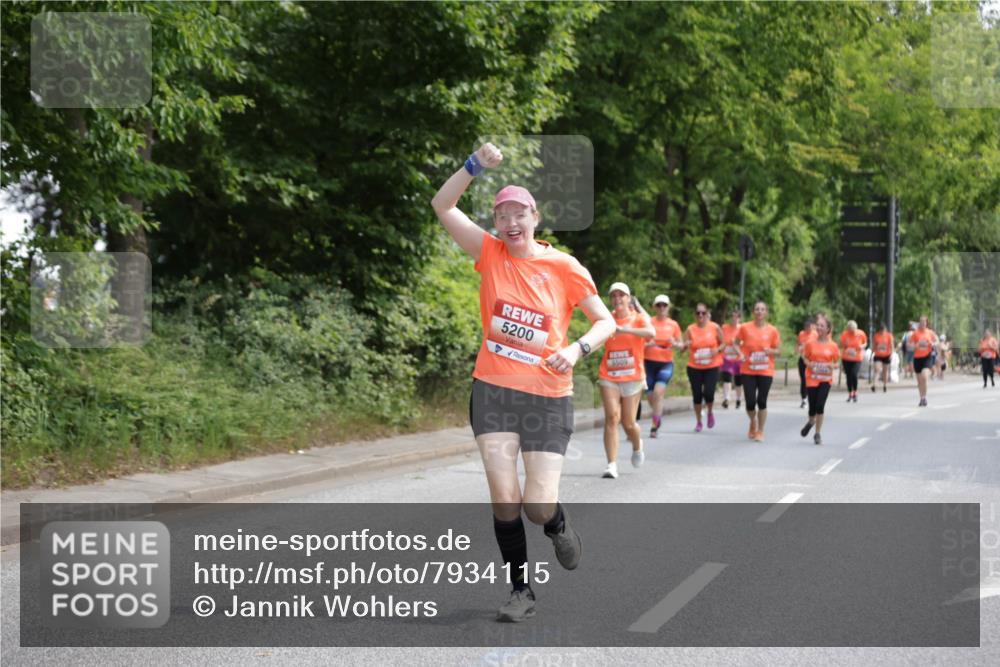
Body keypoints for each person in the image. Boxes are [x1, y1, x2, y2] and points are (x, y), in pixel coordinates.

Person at [431, 142, 615, 623]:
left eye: (519, 213)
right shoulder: (489, 253)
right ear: (496, 224)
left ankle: (556, 524)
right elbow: (442, 206)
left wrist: (577, 349)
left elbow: (605, 322)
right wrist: (473, 165)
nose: (511, 222)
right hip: (492, 390)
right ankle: (520, 589)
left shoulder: (565, 266)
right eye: (502, 215)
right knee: (505, 498)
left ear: (535, 217)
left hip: (548, 398)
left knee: (535, 504)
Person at [598, 283, 655, 479]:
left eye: (621, 295)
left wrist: (624, 330)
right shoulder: (606, 319)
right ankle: (611, 464)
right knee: (612, 417)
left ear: (629, 298)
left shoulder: (638, 318)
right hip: (609, 375)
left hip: (632, 376)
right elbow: (597, 337)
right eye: (613, 296)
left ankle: (637, 446)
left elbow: (651, 333)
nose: (617, 299)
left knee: (628, 423)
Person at [734, 301, 781, 442]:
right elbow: (736, 344)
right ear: (753, 312)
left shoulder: (772, 330)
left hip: (766, 370)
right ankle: (752, 421)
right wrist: (740, 355)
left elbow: (778, 351)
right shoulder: (744, 328)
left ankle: (760, 431)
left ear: (766, 312)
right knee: (750, 402)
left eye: (762, 309)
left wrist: (771, 351)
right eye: (757, 309)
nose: (759, 312)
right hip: (748, 369)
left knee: (761, 400)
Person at [680, 303, 724, 432]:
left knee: (709, 393)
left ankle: (710, 412)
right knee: (697, 395)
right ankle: (699, 421)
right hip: (694, 367)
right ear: (695, 315)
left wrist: (717, 350)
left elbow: (724, 344)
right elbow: (682, 349)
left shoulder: (714, 327)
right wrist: (685, 345)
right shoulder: (690, 329)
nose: (700, 315)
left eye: (703, 313)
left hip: (712, 366)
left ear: (707, 314)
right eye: (698, 313)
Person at [643, 294, 682, 438]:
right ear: (654, 307)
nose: (661, 308)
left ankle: (654, 426)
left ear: (668, 307)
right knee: (651, 397)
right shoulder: (648, 322)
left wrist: (675, 343)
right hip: (648, 363)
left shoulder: (673, 324)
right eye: (658, 305)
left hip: (665, 363)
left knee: (659, 393)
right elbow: (638, 343)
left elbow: (681, 344)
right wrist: (648, 344)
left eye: (664, 305)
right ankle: (657, 414)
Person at [801, 313, 839, 445]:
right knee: (812, 407)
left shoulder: (833, 346)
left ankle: (817, 433)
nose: (819, 327)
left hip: (825, 380)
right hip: (812, 378)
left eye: (822, 326)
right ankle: (811, 421)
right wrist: (809, 363)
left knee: (820, 405)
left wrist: (831, 365)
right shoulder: (810, 343)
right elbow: (804, 357)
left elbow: (837, 363)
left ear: (828, 329)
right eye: (818, 325)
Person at [909, 315, 939, 407]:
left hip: (927, 357)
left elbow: (937, 341)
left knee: (924, 376)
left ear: (926, 323)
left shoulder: (930, 333)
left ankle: (924, 397)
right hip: (917, 358)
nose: (922, 323)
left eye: (924, 322)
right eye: (921, 322)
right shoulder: (915, 333)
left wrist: (933, 343)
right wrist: (915, 345)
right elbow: (909, 345)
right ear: (919, 323)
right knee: (919, 381)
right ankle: (921, 398)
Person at [838, 320, 867, 403]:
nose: (851, 332)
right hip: (846, 358)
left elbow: (865, 343)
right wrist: (845, 346)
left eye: (853, 330)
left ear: (856, 328)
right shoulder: (845, 334)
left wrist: (861, 346)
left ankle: (855, 391)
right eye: (850, 330)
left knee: (854, 374)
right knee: (848, 376)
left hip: (857, 358)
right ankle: (850, 393)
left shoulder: (861, 333)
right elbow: (840, 344)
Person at [720, 309, 743, 410]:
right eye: (732, 316)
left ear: (739, 318)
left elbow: (746, 342)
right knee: (727, 378)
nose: (734, 319)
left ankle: (738, 399)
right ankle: (726, 399)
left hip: (738, 358)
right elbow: (720, 340)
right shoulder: (725, 328)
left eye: (736, 317)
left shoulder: (742, 328)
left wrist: (738, 343)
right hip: (727, 357)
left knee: (738, 381)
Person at [796, 319, 817, 408]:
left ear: (812, 327)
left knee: (810, 380)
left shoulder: (815, 334)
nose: (807, 329)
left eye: (809, 327)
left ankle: (810, 397)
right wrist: (798, 349)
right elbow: (798, 344)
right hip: (802, 359)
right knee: (803, 380)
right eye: (805, 327)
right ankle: (804, 399)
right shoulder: (801, 334)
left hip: (812, 360)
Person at [870, 323, 894, 393]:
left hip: (887, 355)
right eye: (881, 330)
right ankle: (874, 385)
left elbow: (892, 345)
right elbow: (874, 345)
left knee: (885, 371)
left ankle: (884, 385)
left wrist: (892, 354)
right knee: (877, 370)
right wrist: (872, 353)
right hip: (878, 355)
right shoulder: (876, 336)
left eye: (883, 330)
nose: (882, 332)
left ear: (885, 330)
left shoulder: (889, 336)